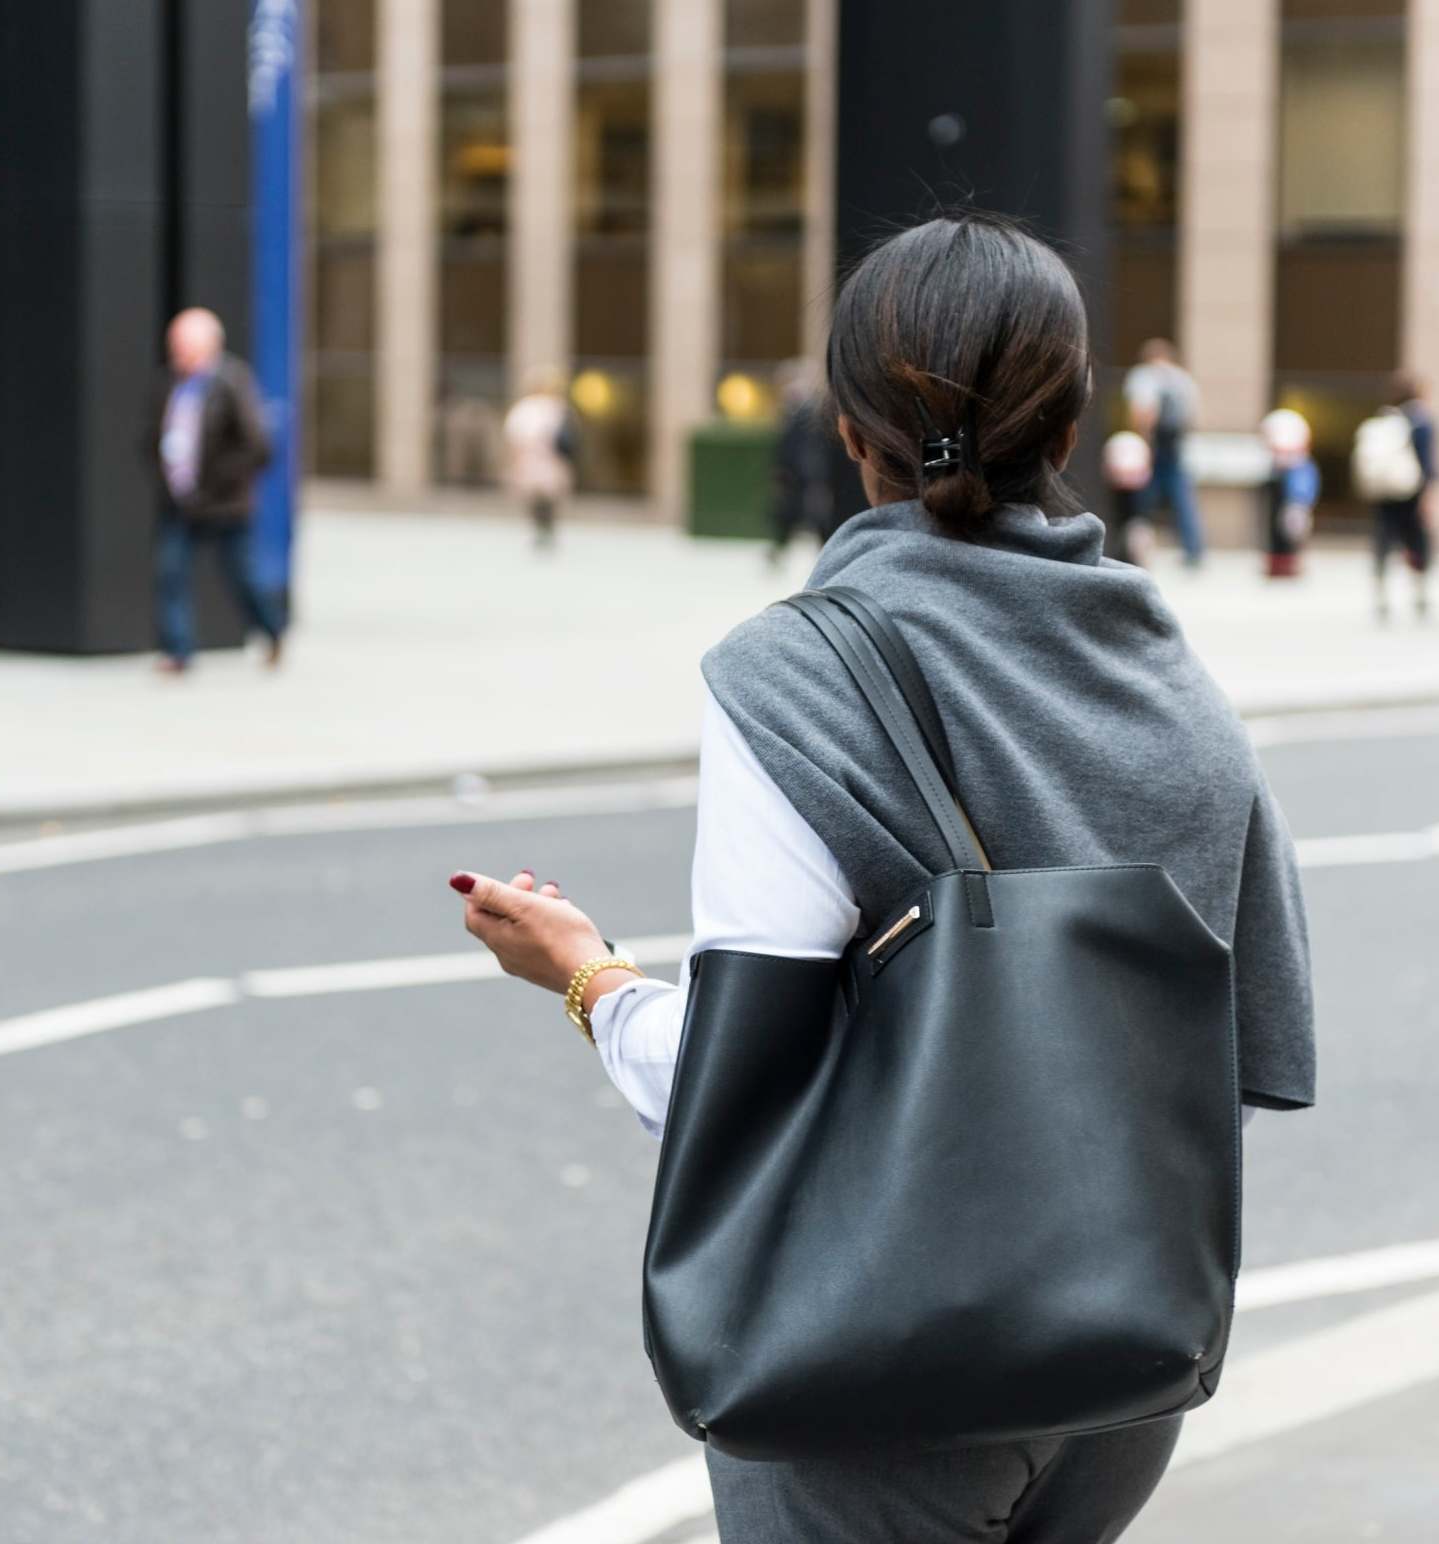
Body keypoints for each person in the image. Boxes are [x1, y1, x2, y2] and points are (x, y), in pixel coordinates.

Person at [445, 212, 1314, 1542]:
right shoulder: (1173, 679)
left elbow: (735, 1090)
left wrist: (588, 979)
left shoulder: (798, 679)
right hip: (1124, 1371)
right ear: (1068, 429)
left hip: (884, 1389)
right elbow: (1219, 1061)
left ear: (850, 436)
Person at [148, 307, 283, 673]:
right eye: (175, 345)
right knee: (171, 573)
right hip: (181, 501)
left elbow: (258, 447)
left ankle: (272, 630)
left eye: (186, 346)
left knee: (243, 576)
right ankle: (178, 651)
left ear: (209, 346)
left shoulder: (232, 382)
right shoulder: (169, 384)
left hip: (225, 504)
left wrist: (219, 482)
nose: (178, 353)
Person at [1351, 372, 1434, 619]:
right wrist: (1430, 494)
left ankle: (1382, 594)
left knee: (1383, 540)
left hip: (1383, 492)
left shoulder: (1384, 418)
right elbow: (1427, 463)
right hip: (1411, 492)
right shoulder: (1420, 421)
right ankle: (1419, 595)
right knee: (1417, 542)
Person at [1124, 337, 1204, 566]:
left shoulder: (1144, 376)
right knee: (1182, 498)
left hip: (1155, 447)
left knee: (1142, 501)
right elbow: (1192, 415)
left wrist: (1142, 442)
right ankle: (1193, 551)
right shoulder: (1182, 379)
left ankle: (1138, 549)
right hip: (1177, 447)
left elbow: (1144, 411)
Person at [766, 361, 845, 563]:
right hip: (798, 473)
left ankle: (825, 550)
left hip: (812, 474)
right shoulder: (793, 414)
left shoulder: (811, 415)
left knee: (816, 513)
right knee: (791, 513)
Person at [503, 369, 574, 549]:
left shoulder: (527, 408)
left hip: (535, 458)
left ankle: (541, 529)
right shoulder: (557, 407)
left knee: (537, 495)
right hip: (550, 459)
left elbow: (516, 437)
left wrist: (516, 461)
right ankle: (546, 528)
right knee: (548, 495)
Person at [1261, 407, 1319, 579]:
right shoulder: (1280, 473)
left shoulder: (1301, 469)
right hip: (1287, 495)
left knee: (1294, 529)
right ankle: (1280, 564)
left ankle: (1290, 563)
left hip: (1296, 500)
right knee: (1280, 529)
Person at [1101, 427, 1155, 565]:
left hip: (1124, 491)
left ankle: (1128, 555)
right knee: (1135, 525)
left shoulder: (1118, 442)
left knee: (1128, 525)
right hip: (1134, 490)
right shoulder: (1136, 442)